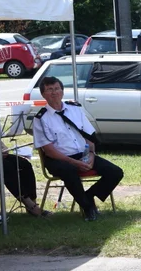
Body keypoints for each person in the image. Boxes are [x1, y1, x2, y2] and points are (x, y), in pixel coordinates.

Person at [31, 76, 123, 221]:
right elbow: (49, 150)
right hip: (58, 158)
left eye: (57, 88)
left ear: (62, 90)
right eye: (49, 90)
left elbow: (89, 136)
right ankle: (87, 208)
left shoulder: (75, 109)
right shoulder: (40, 118)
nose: (54, 93)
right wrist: (74, 162)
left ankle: (88, 196)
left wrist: (91, 155)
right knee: (69, 171)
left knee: (115, 172)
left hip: (83, 153)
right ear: (43, 94)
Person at [0, 107, 51, 218]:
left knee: (23, 164)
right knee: (5, 166)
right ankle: (30, 205)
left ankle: (32, 200)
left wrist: (2, 147)